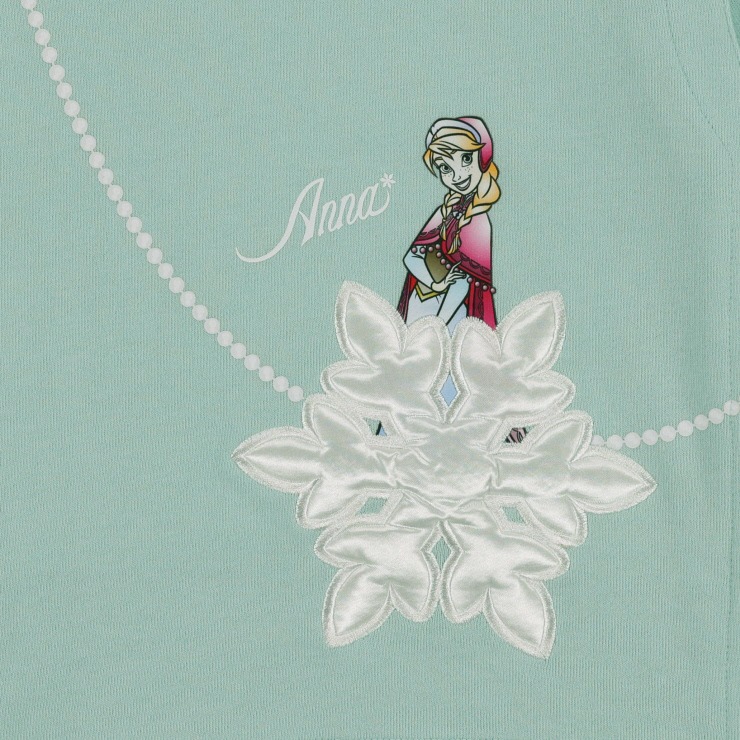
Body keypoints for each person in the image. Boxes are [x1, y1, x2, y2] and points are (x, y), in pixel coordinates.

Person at [395, 116, 526, 443]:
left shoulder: (479, 222)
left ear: (482, 156)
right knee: (412, 391)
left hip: (453, 321)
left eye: (465, 159)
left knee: (447, 387)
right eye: (444, 167)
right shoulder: (445, 211)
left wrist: (436, 329)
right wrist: (435, 284)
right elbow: (410, 257)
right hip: (422, 309)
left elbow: (466, 284)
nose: (456, 174)